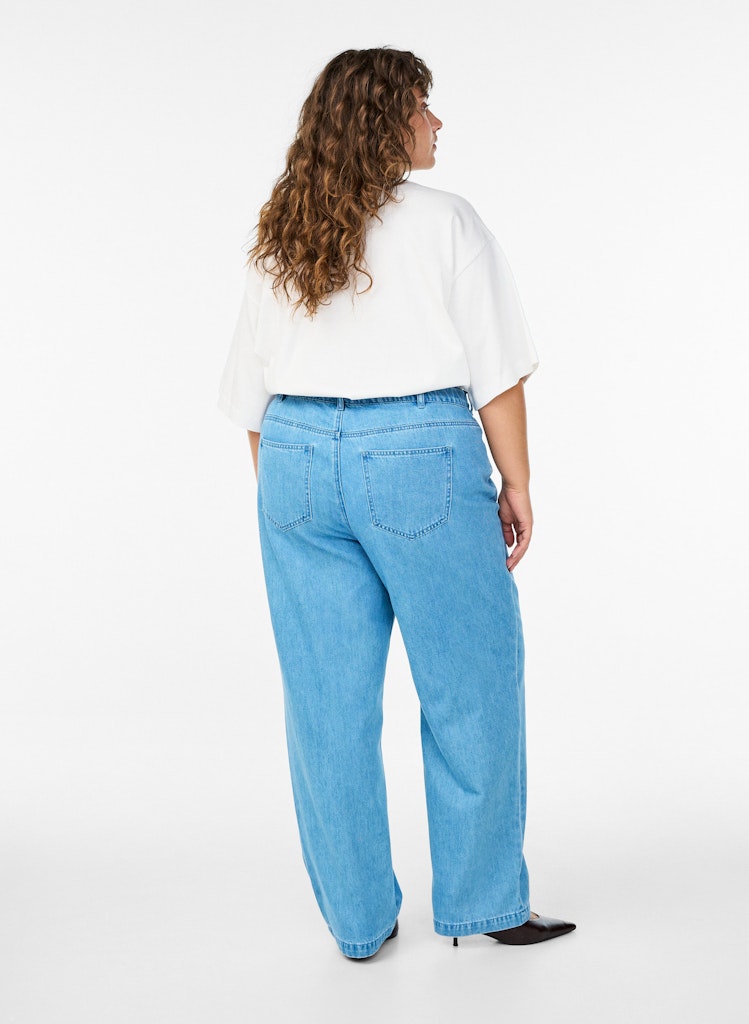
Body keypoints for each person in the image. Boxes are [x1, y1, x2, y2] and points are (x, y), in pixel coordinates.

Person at [217, 46, 576, 960]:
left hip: (291, 458)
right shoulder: (445, 221)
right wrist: (517, 484)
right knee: (469, 684)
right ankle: (484, 901)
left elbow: (250, 397)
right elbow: (497, 371)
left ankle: (357, 923)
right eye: (422, 106)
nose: (436, 122)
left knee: (325, 704)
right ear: (385, 121)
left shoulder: (283, 230)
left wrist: (296, 500)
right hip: (416, 452)